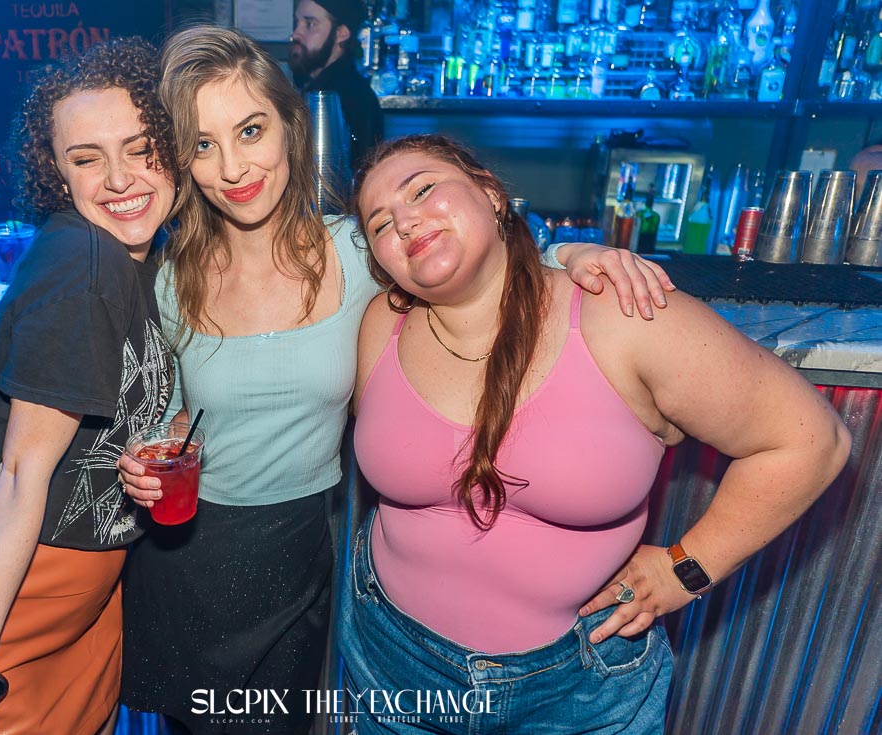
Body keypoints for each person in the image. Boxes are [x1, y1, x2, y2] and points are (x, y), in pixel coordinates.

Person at [117, 26, 676, 735]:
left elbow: (477, 253)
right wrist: (146, 455)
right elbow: (170, 413)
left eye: (250, 130)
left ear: (289, 127)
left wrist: (571, 251)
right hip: (190, 554)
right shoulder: (171, 278)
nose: (233, 166)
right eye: (203, 144)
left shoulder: (359, 251)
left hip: (300, 550)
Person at [339, 134, 852, 734]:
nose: (405, 222)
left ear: (490, 193)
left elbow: (810, 440)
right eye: (380, 224)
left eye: (423, 189)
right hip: (392, 659)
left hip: (577, 688)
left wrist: (685, 570)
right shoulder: (381, 324)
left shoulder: (622, 315)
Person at [0, 37, 178, 735]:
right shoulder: (84, 263)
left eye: (141, 148)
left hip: (83, 588)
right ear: (55, 171)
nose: (118, 178)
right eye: (87, 159)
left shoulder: (141, 254)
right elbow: (23, 472)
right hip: (8, 592)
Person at [289, 0, 384, 169]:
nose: (296, 34)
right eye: (297, 23)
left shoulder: (345, 96)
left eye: (310, 24)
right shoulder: (315, 86)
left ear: (341, 33)